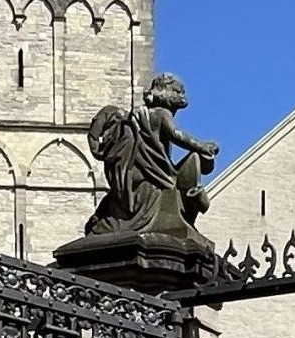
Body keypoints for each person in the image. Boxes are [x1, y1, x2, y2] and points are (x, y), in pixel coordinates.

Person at [83, 74, 220, 240]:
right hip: (152, 179)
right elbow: (177, 135)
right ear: (166, 93)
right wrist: (202, 146)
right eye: (177, 91)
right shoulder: (162, 114)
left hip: (138, 176)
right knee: (187, 173)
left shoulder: (139, 115)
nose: (182, 96)